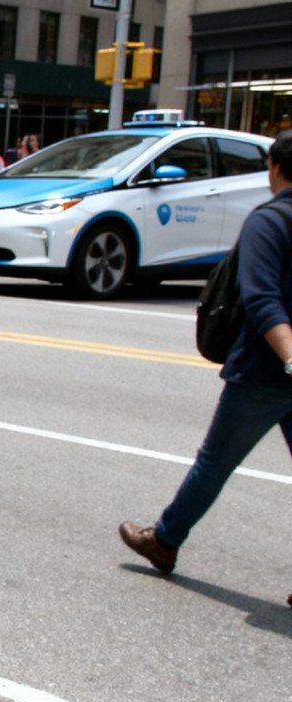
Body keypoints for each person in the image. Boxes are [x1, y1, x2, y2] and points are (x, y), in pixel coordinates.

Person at [120, 130, 292, 586]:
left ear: (274, 168)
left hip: (265, 372)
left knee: (214, 463)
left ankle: (164, 540)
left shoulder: (269, 221)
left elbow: (262, 299)